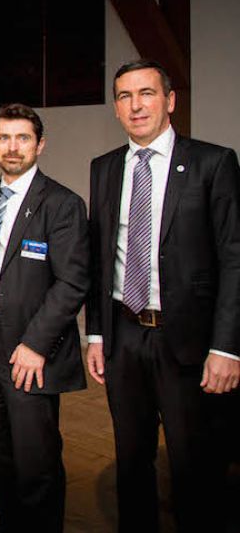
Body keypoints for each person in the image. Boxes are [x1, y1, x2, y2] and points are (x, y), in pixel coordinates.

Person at [85, 59, 240, 532]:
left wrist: (227, 347)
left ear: (169, 101)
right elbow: (98, 256)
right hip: (124, 335)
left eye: (147, 93)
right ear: (116, 107)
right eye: (126, 96)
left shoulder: (213, 163)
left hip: (189, 342)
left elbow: (235, 257)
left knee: (194, 465)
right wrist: (95, 334)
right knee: (131, 460)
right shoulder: (105, 168)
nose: (137, 105)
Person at [0, 103, 88, 533]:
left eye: (23, 138)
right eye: (4, 138)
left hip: (30, 347)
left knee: (35, 456)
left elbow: (72, 283)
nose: (13, 147)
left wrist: (37, 344)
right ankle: (11, 522)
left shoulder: (62, 203)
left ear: (40, 144)